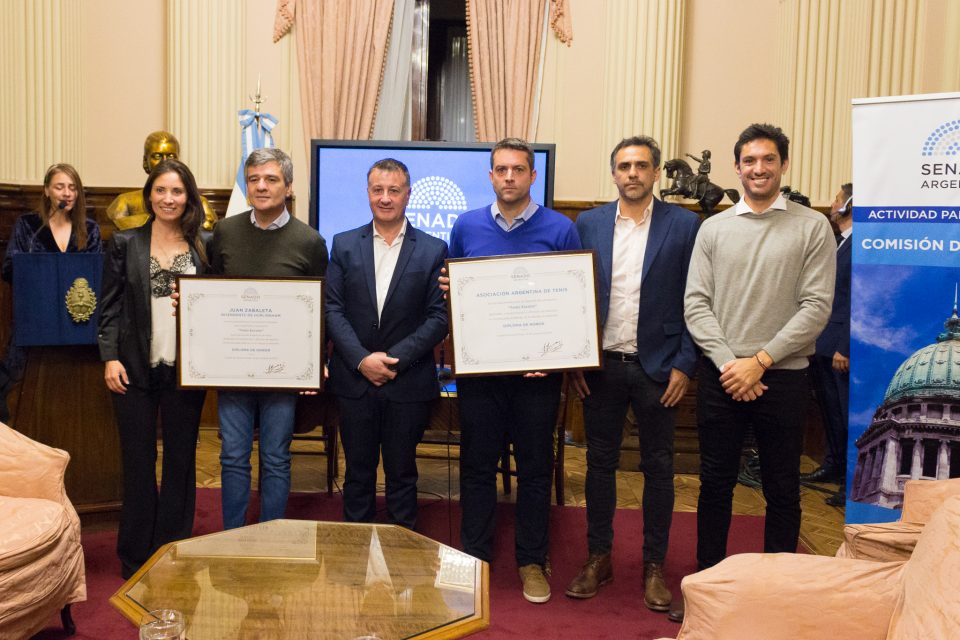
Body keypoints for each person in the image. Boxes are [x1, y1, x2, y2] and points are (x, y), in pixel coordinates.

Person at [680, 123, 835, 620]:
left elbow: (816, 307)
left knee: (782, 487)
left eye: (768, 160)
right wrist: (731, 363)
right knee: (714, 484)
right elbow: (696, 304)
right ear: (737, 168)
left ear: (784, 165)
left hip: (783, 377)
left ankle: (777, 596)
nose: (759, 169)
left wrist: (760, 361)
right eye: (749, 161)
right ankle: (706, 588)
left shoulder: (813, 226)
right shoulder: (714, 229)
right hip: (723, 375)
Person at [567, 137, 699, 612]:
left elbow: (698, 300)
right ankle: (598, 557)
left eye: (642, 165)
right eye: (624, 166)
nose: (632, 174)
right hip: (601, 366)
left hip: (660, 369)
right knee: (599, 464)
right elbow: (575, 293)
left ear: (657, 172)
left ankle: (654, 566)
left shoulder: (685, 225)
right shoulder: (589, 223)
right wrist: (577, 360)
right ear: (614, 173)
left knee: (659, 468)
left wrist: (686, 363)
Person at [448, 137, 581, 604]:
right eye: (501, 170)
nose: (509, 177)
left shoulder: (561, 229)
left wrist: (555, 357)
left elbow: (573, 303)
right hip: (481, 376)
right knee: (477, 468)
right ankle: (476, 559)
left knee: (535, 469)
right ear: (490, 176)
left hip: (536, 380)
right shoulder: (465, 227)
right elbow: (458, 301)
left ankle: (531, 561)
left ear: (532, 175)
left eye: (518, 170)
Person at [98, 159, 209, 579]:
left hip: (186, 370)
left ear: (189, 197)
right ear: (149, 195)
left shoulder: (205, 244)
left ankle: (174, 546)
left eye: (177, 191)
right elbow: (108, 308)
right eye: (161, 190)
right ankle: (134, 553)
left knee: (181, 461)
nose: (168, 198)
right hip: (132, 369)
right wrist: (109, 356)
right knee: (138, 462)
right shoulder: (125, 242)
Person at [206, 147, 328, 530]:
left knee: (276, 456)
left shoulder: (309, 241)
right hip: (233, 367)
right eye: (254, 179)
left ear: (288, 187)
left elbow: (320, 307)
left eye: (271, 179)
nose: (261, 186)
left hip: (283, 371)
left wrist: (315, 359)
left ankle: (271, 534)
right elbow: (210, 294)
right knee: (233, 455)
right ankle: (232, 534)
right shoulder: (224, 232)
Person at [325, 158, 448, 529]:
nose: (385, 198)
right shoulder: (344, 245)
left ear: (408, 195)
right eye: (378, 190)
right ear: (367, 193)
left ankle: (402, 563)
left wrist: (392, 361)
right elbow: (333, 309)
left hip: (406, 383)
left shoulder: (432, 249)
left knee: (402, 476)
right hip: (355, 382)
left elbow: (438, 318)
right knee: (357, 476)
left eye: (394, 190)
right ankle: (354, 559)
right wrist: (363, 360)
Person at [1, 163, 102, 421]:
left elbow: (96, 275)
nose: (66, 193)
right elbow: (9, 268)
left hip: (77, 324)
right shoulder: (28, 226)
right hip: (36, 321)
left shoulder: (89, 229)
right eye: (60, 187)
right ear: (47, 191)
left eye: (72, 187)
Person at [803, 183, 852, 506]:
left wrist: (845, 347)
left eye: (836, 199)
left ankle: (850, 480)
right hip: (821, 343)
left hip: (839, 347)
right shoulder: (838, 242)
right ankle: (833, 465)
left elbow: (859, 300)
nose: (832, 204)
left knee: (845, 414)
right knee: (829, 412)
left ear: (850, 203)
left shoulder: (863, 244)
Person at [106, 131, 217, 231]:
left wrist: (137, 221)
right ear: (145, 161)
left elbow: (206, 227)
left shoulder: (199, 202)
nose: (164, 162)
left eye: (171, 156)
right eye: (157, 156)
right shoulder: (124, 202)